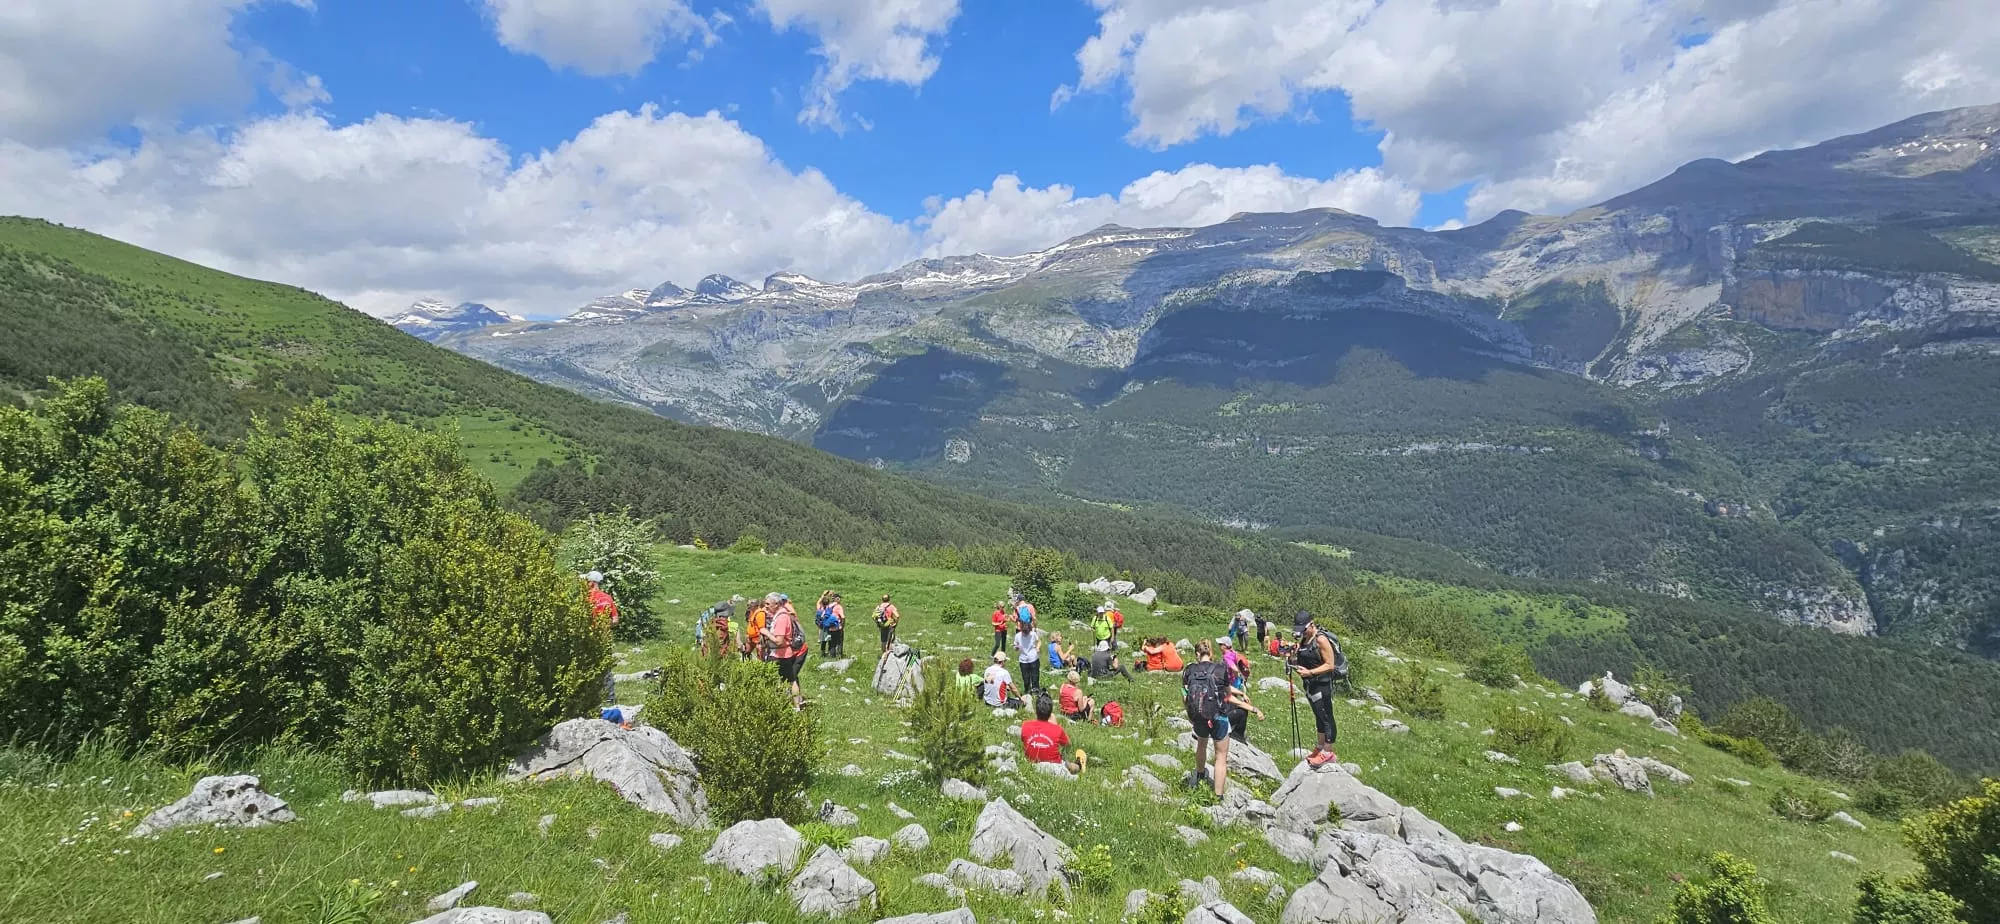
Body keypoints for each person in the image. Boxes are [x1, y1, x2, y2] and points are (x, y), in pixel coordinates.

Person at [1182, 640, 1264, 796]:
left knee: (1201, 744)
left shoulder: (1189, 670)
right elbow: (1227, 696)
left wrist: (1191, 714)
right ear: (1211, 653)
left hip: (1199, 716)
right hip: (1219, 716)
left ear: (1197, 654)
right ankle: (1218, 795)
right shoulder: (1221, 670)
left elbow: (1185, 696)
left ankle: (1200, 774)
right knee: (1220, 757)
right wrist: (1251, 707)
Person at [1290, 611, 1346, 768]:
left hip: (1322, 684)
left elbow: (1330, 664)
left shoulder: (1320, 639)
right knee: (1319, 716)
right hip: (1310, 685)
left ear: (1311, 624)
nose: (1301, 631)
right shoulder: (1304, 639)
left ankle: (1328, 752)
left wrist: (1310, 672)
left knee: (1326, 716)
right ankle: (1320, 747)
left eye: (1304, 628)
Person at [1021, 695, 1086, 775]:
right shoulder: (1057, 729)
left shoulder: (1025, 725)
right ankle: (1079, 766)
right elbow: (1068, 744)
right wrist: (1055, 724)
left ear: (1036, 711)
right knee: (1066, 764)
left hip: (1031, 763)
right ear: (1050, 713)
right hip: (1054, 766)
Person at [764, 592, 808, 710]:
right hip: (783, 653)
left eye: (768, 604)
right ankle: (796, 706)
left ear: (776, 604)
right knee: (790, 679)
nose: (766, 606)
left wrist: (766, 632)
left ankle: (775, 705)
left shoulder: (782, 617)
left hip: (779, 655)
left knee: (771, 679)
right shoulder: (781, 614)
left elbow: (779, 641)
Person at [584, 571, 620, 702]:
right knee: (606, 668)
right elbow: (615, 620)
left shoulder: (587, 599)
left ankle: (591, 699)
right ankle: (610, 697)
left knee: (589, 667)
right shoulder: (607, 598)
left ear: (592, 583)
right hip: (606, 637)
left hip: (591, 637)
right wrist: (604, 626)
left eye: (586, 582)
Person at [1014, 621, 1044, 695]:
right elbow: (1014, 646)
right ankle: (1027, 692)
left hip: (1034, 658)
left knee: (1035, 677)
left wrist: (1037, 647)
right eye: (1025, 633)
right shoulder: (1017, 636)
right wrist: (1016, 648)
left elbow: (1039, 641)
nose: (1026, 634)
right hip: (1023, 660)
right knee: (1026, 679)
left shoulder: (1033, 634)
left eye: (1027, 633)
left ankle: (1036, 692)